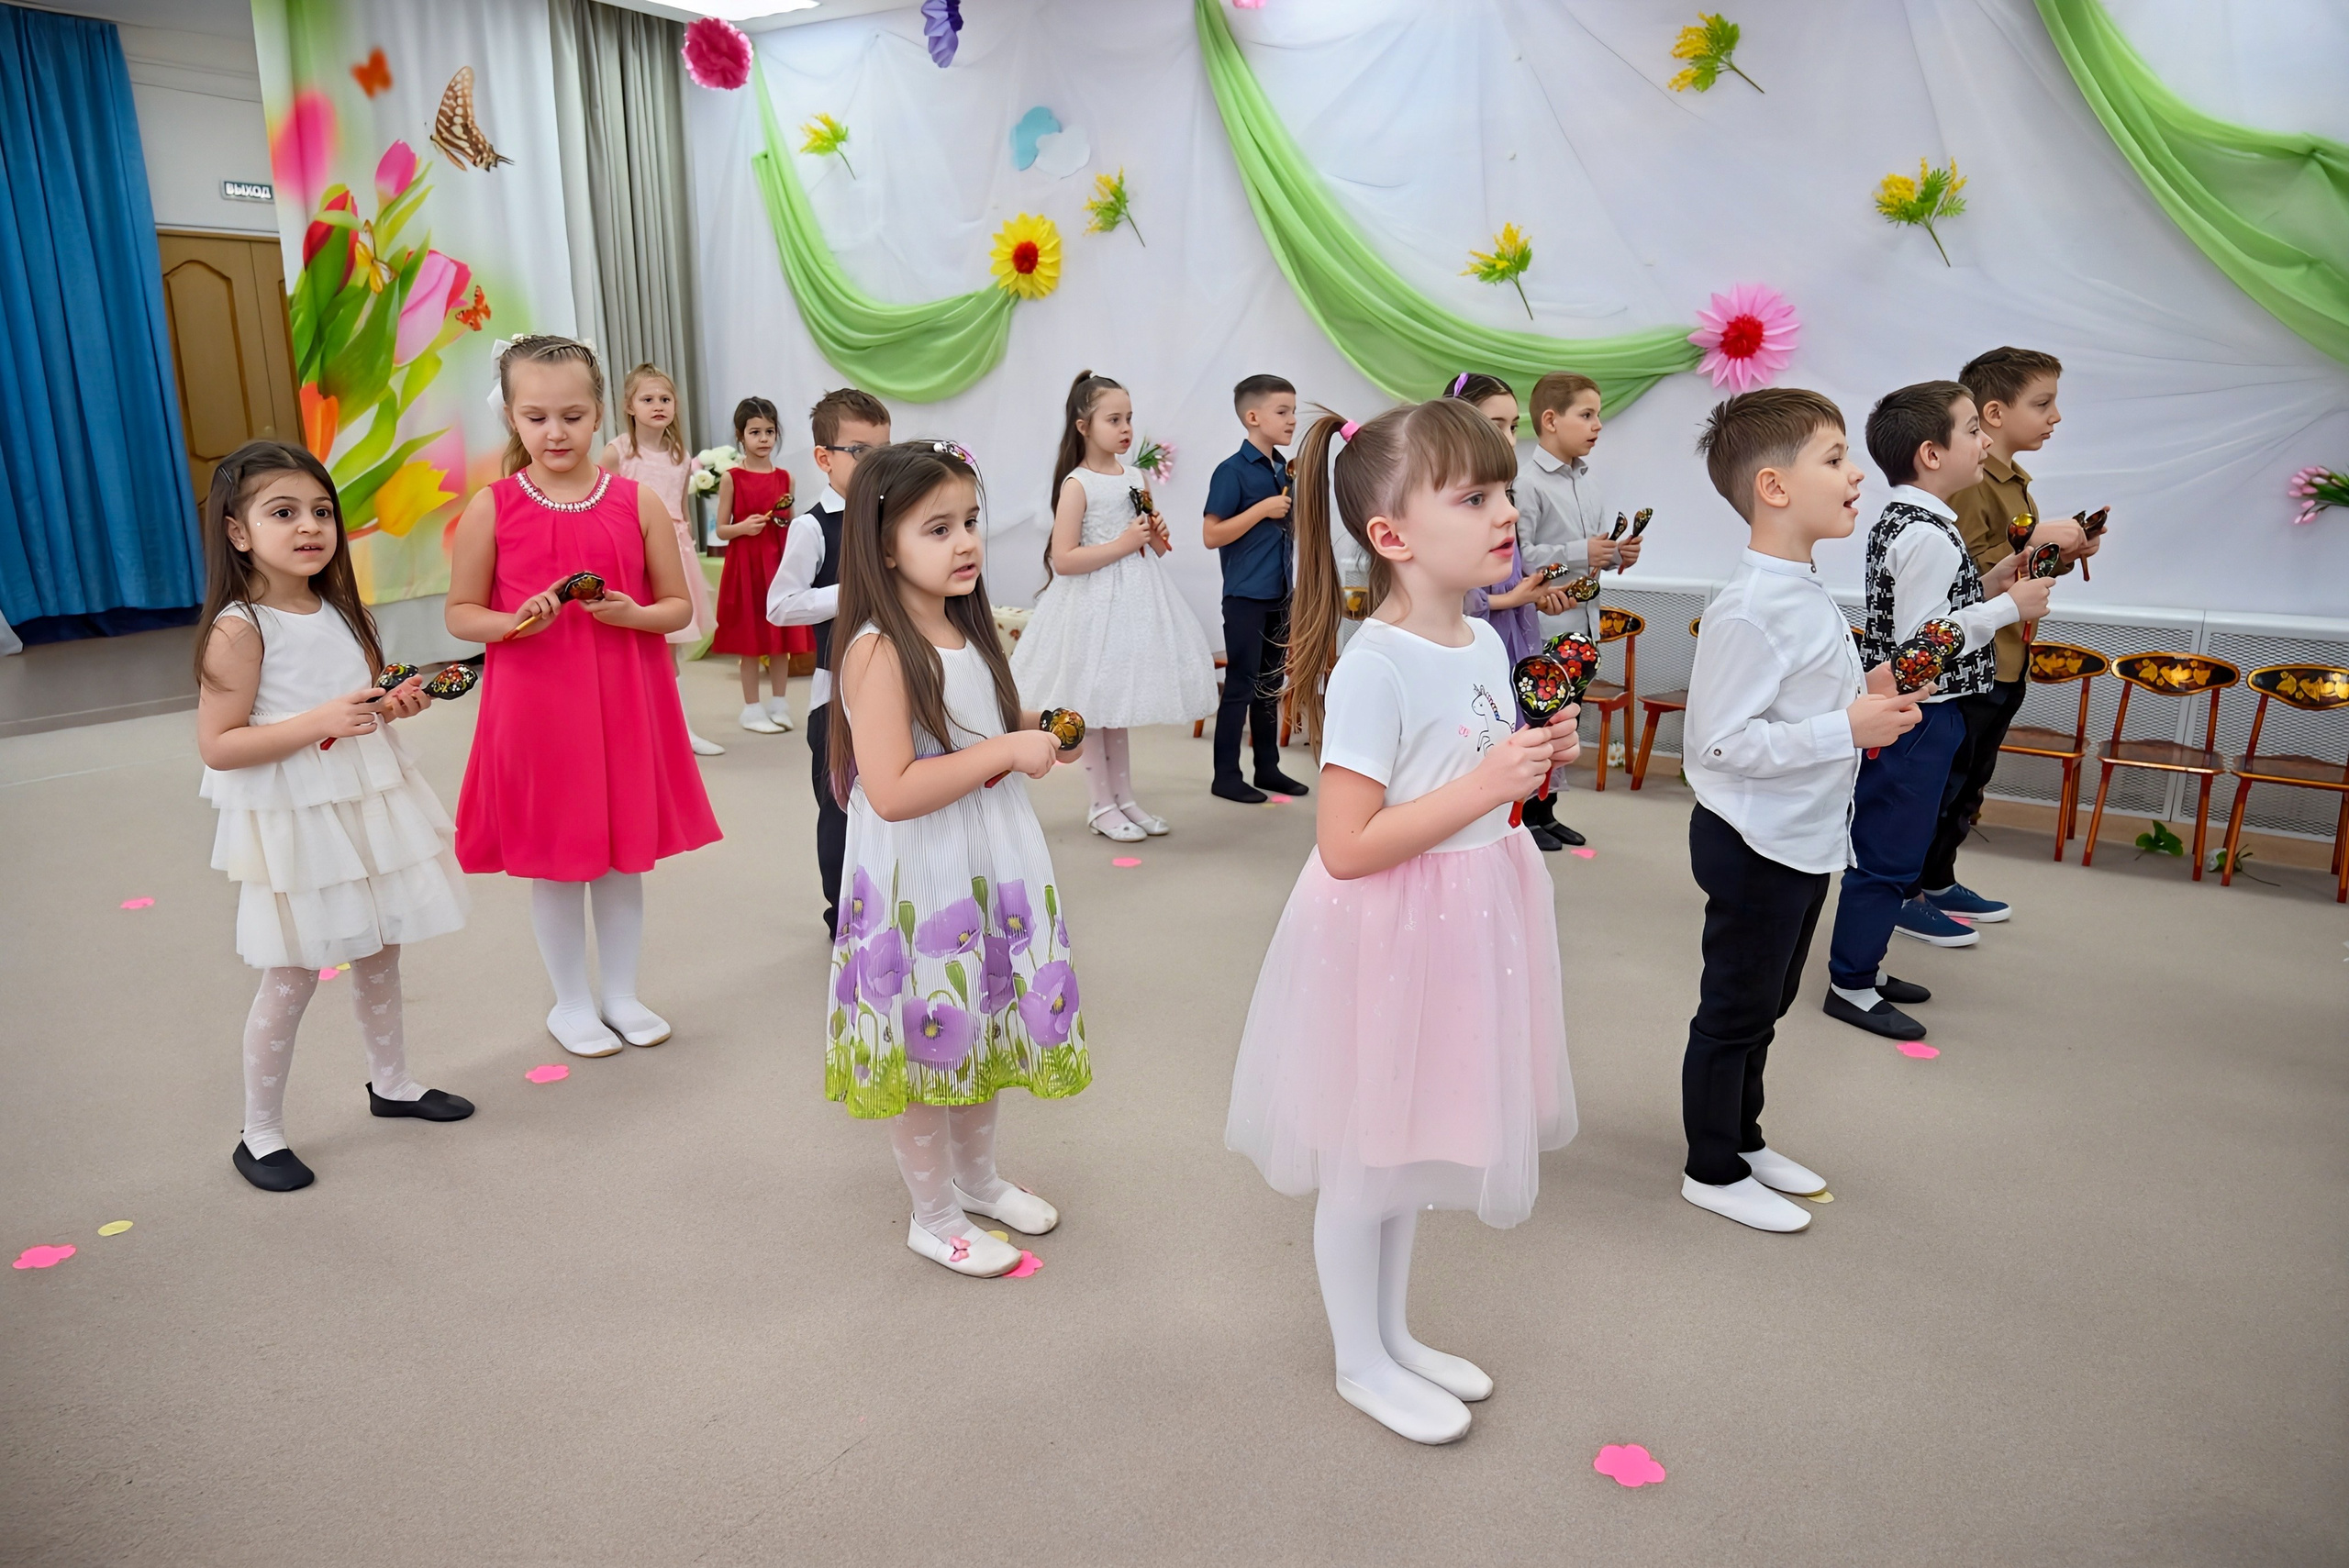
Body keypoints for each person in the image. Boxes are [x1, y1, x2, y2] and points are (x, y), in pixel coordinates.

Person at [1226, 399, 1580, 1445]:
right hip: (1389, 927)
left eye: (1504, 491)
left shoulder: (1476, 636)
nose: (1504, 512)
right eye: (1473, 497)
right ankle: (1357, 1359)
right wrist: (1486, 782)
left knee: (1411, 1144)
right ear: (1391, 535)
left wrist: (1524, 769)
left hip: (1468, 913)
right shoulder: (1374, 661)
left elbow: (1473, 781)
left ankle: (1391, 1332)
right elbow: (1346, 842)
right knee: (1363, 1153)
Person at [825, 440, 1091, 1277]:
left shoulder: (966, 628)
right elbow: (895, 787)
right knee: (929, 1036)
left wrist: (1033, 728)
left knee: (980, 1019)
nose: (966, 541)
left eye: (970, 520)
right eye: (937, 528)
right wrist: (1008, 750)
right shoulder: (876, 649)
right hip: (925, 871)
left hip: (987, 859)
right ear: (883, 542)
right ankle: (932, 1214)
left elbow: (976, 732)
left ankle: (976, 1179)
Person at [193, 440, 473, 1193]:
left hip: (361, 798)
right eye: (283, 512)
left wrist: (393, 705)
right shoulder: (240, 627)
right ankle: (260, 1132)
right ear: (238, 531)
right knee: (293, 973)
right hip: (296, 812)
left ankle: (393, 1083)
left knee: (382, 947)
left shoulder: (346, 611)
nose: (310, 526)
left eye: (321, 511)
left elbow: (363, 710)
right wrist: (321, 718)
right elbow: (219, 745)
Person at [1677, 389, 1925, 1234]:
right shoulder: (1751, 606)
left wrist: (1867, 698)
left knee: (1771, 1000)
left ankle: (1742, 1140)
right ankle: (1709, 1167)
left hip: (1801, 833)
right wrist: (1844, 726)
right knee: (1735, 1007)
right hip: (1753, 838)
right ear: (1774, 487)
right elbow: (1715, 744)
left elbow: (1799, 702)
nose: (1857, 473)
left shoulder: (1802, 587)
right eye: (1834, 458)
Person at [448, 335, 722, 1058]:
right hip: (537, 705)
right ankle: (571, 1002)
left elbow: (675, 608)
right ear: (510, 416)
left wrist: (633, 614)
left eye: (572, 414)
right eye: (535, 416)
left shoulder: (636, 502)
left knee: (621, 857)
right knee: (558, 856)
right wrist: (512, 622)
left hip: (624, 701)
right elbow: (460, 613)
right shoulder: (493, 506)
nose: (555, 432)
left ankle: (621, 993)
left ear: (601, 412)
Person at [1822, 383, 2051, 1041]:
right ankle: (1852, 983)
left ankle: (1860, 966)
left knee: (1897, 846)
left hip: (1923, 715)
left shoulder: (1918, 526)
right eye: (1972, 430)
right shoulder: (1927, 536)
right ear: (1931, 452)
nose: (1985, 443)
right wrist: (2009, 609)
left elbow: (1934, 615)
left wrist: (1990, 584)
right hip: (1919, 717)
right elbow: (1927, 644)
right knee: (1889, 855)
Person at [1917, 348, 2101, 928]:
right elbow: (1961, 570)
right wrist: (2031, 546)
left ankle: (1937, 880)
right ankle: (1904, 893)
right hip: (1972, 658)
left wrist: (2061, 552)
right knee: (1940, 785)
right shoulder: (1972, 482)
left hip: (2008, 655)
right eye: (2041, 404)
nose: (2055, 417)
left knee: (1970, 784)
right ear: (1993, 413)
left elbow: (2019, 567)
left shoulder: (2015, 482)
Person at [1009, 371, 1218, 841]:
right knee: (1093, 708)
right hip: (1089, 605)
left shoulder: (1135, 475)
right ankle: (1101, 804)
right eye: (1114, 419)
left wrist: (1154, 535)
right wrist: (1125, 542)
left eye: (1129, 419)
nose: (1125, 429)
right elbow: (1064, 559)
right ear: (1084, 426)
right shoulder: (1077, 484)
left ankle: (1125, 799)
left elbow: (1155, 549)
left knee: (1115, 708)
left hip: (1133, 601)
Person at [768, 386, 892, 936]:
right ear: (825, 458)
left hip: (897, 681)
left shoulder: (897, 515)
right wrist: (853, 590)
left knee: (895, 790)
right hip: (835, 688)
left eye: (884, 451)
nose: (875, 465)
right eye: (861, 452)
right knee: (839, 801)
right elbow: (780, 605)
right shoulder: (812, 526)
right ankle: (842, 913)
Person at [1513, 371, 1642, 847]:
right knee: (1538, 722)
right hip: (1545, 623)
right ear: (1550, 420)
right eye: (1586, 415)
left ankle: (1545, 811)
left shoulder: (1588, 485)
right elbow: (1519, 559)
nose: (1598, 425)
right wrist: (1578, 551)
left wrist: (1613, 556)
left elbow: (1588, 560)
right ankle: (1522, 815)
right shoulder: (1526, 485)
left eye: (1598, 415)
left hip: (1583, 626)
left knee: (1566, 723)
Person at [600, 362, 724, 756]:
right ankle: (636, 729)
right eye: (648, 398)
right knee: (633, 643)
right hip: (636, 551)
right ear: (629, 406)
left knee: (669, 644)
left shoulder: (679, 454)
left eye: (665, 399)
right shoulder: (618, 452)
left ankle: (678, 730)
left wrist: (689, 543)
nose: (658, 405)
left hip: (676, 550)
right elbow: (600, 506)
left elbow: (682, 510)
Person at [1201, 373, 1312, 804]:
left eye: (1293, 411)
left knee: (1270, 684)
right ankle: (1225, 774)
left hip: (1281, 592)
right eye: (1282, 412)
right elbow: (1212, 535)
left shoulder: (1284, 469)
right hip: (1246, 595)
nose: (1292, 420)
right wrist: (1263, 510)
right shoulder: (1230, 472)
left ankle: (1268, 768)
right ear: (1253, 417)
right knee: (1242, 684)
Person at [709, 395, 810, 734]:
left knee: (779, 636)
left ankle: (779, 703)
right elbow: (721, 529)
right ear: (741, 436)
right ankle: (751, 708)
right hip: (746, 567)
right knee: (750, 639)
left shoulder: (786, 478)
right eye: (755, 432)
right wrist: (743, 528)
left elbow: (790, 523)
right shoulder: (732, 478)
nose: (763, 439)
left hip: (778, 563)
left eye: (769, 431)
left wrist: (784, 527)